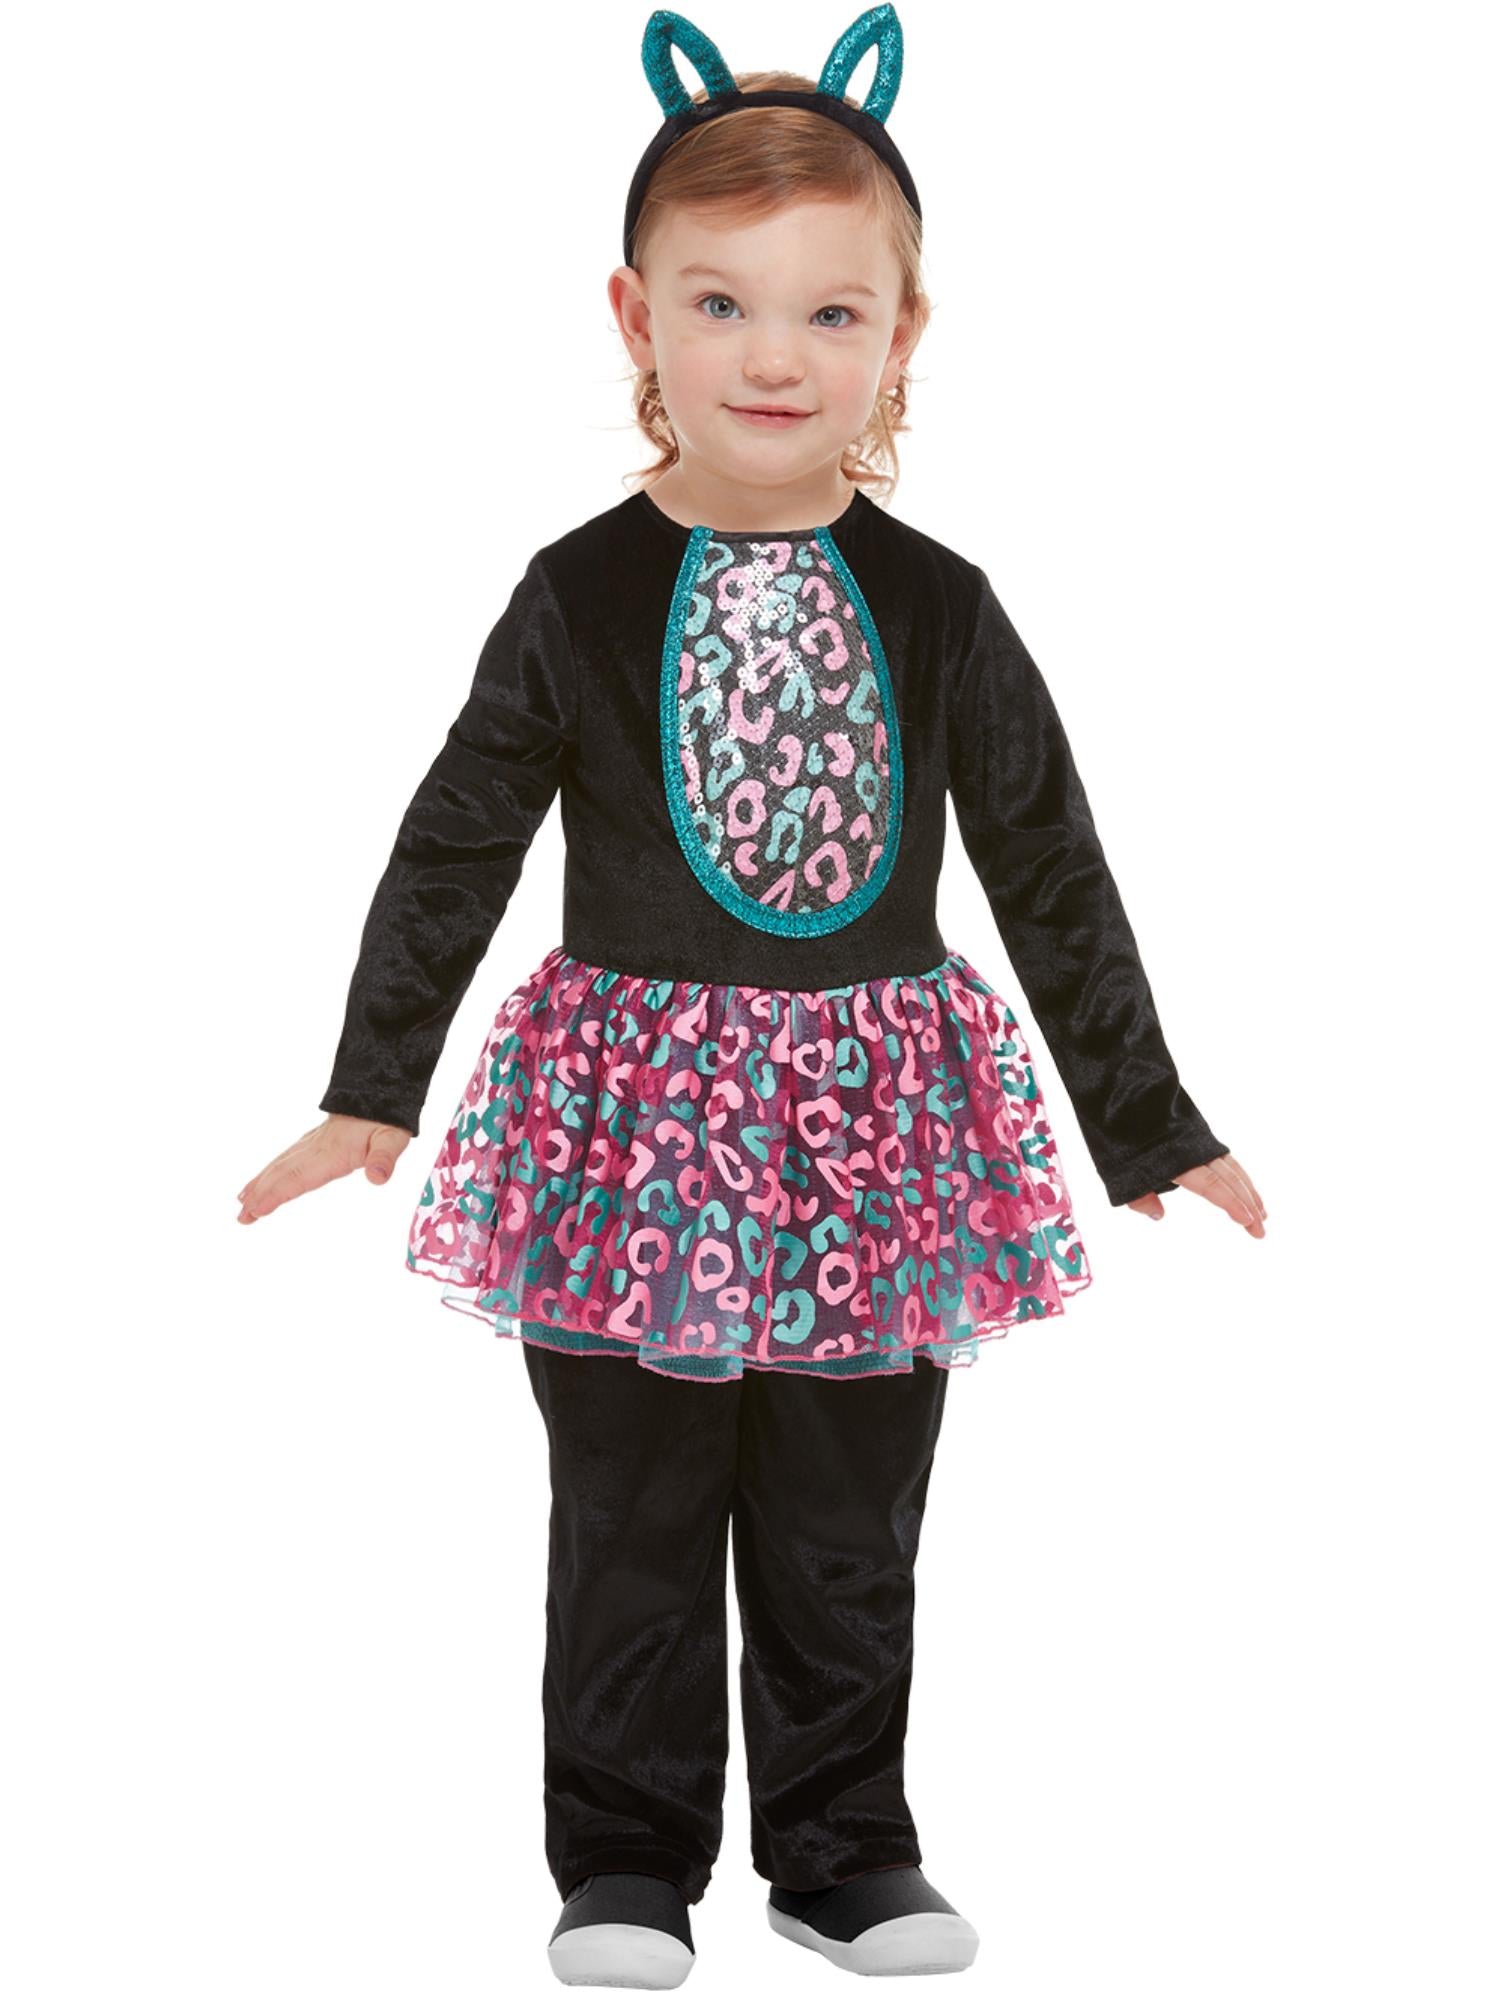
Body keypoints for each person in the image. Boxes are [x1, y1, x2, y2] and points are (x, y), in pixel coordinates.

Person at [237, 5, 1265, 1986]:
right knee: (628, 1506)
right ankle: (624, 1860)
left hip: (878, 1142)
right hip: (624, 1136)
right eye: (721, 305)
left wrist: (1150, 1121)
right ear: (637, 318)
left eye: (828, 313)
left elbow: (1047, 860)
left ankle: (843, 1848)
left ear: (903, 334)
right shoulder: (577, 592)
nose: (773, 358)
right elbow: (457, 837)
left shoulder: (945, 605)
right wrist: (375, 1082)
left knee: (845, 1517)